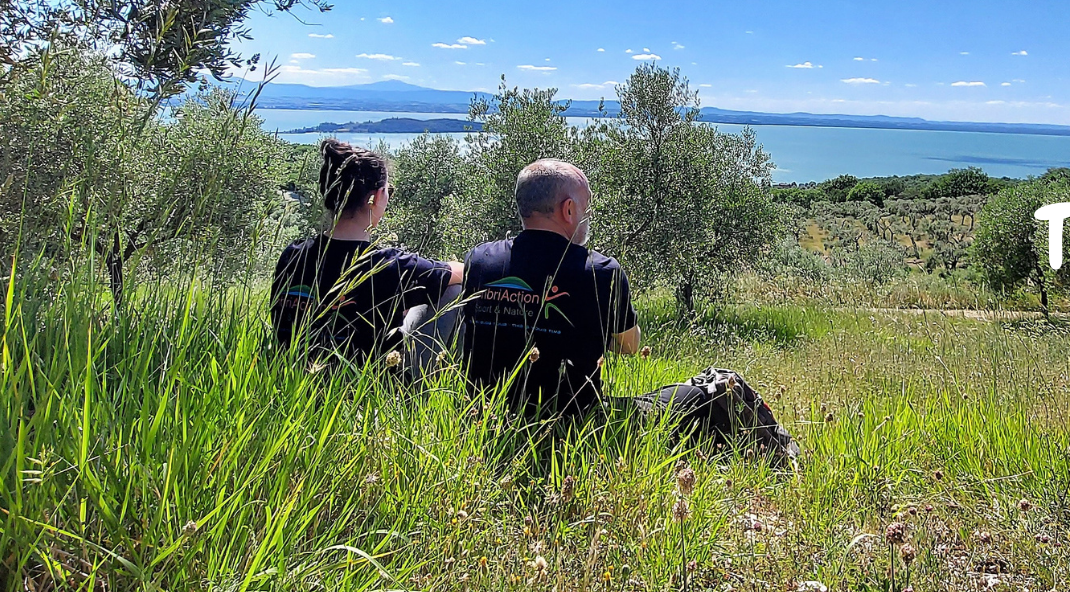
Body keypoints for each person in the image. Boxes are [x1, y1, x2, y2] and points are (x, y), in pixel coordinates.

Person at [457, 159, 798, 463]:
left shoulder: (480, 260)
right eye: (587, 207)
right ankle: (788, 462)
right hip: (579, 427)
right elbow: (630, 346)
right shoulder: (599, 271)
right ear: (568, 210)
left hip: (490, 423)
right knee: (718, 385)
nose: (588, 217)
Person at [270, 140, 462, 370]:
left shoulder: (293, 255)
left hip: (290, 380)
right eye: (388, 191)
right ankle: (431, 383)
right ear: (377, 197)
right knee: (455, 289)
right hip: (366, 386)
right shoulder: (389, 266)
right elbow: (466, 270)